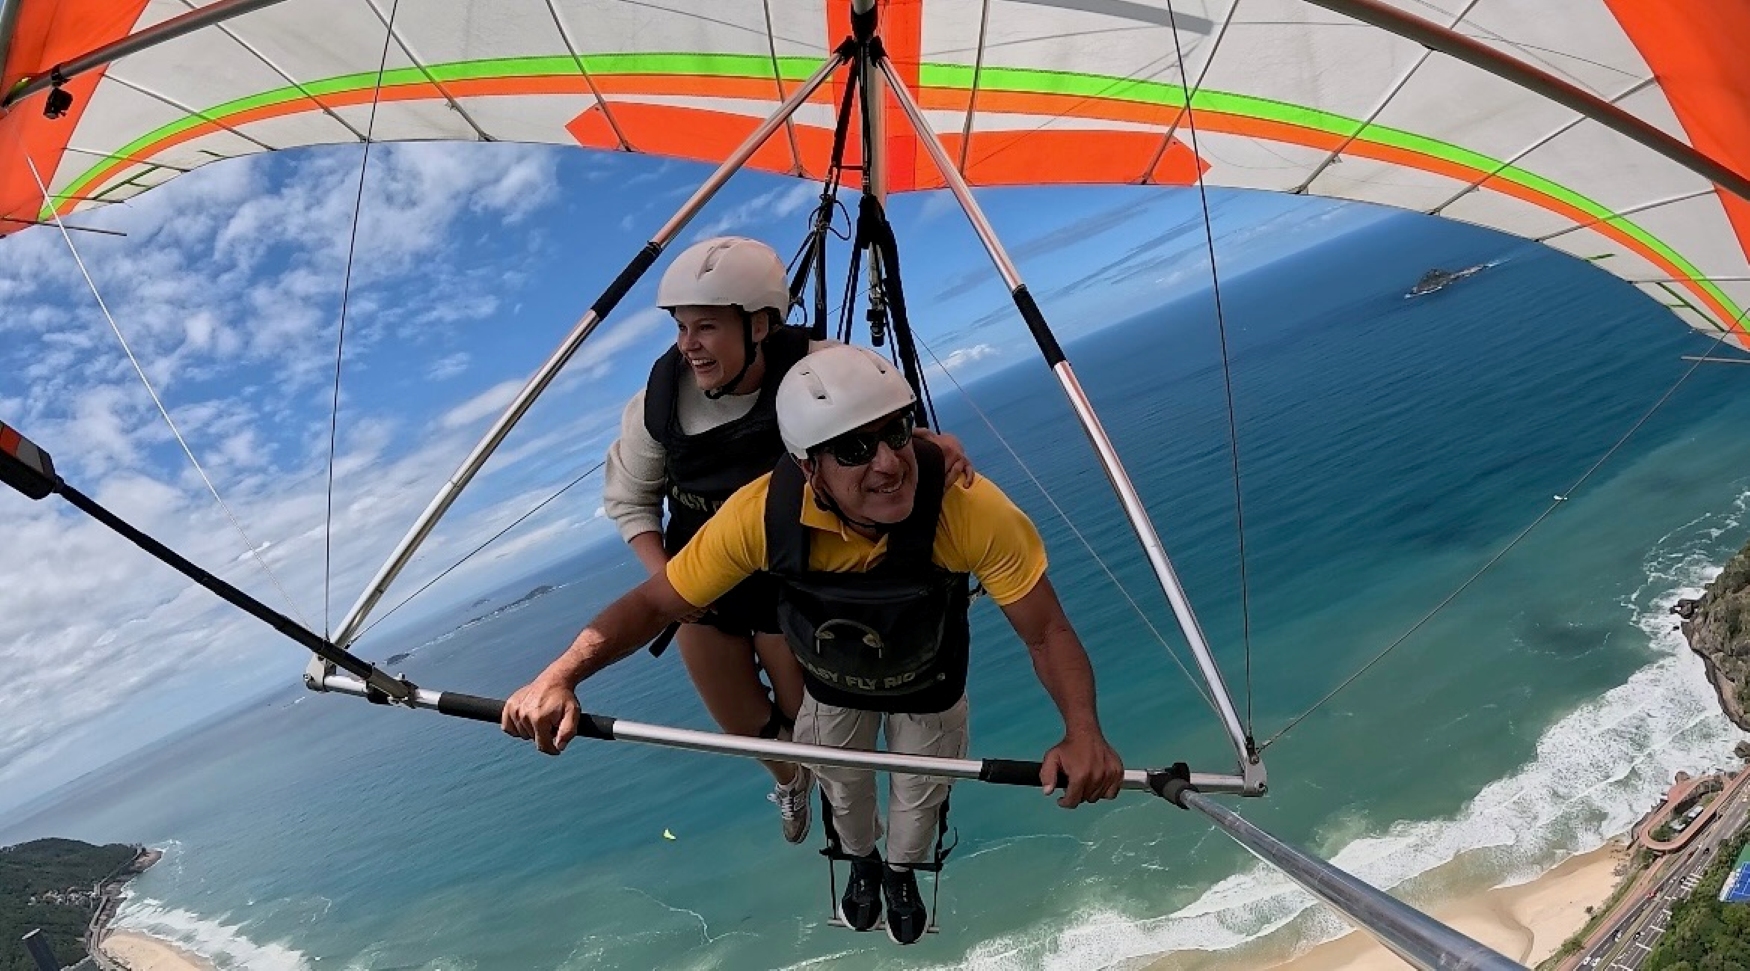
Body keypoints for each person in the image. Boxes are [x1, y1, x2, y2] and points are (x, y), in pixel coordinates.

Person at [505, 345, 1123, 945]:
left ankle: (903, 872)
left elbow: (1045, 630)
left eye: (898, 432)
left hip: (929, 686)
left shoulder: (965, 508)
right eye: (855, 448)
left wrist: (1083, 731)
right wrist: (562, 675)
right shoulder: (762, 516)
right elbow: (654, 604)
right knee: (843, 790)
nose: (887, 463)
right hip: (832, 686)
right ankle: (861, 860)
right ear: (808, 467)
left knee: (919, 797)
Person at [601, 236, 972, 846]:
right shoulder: (656, 406)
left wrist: (930, 444)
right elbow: (630, 500)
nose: (688, 345)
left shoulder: (819, 369)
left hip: (790, 571)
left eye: (707, 327)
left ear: (762, 325)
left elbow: (876, 423)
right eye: (681, 328)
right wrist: (667, 579)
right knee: (742, 723)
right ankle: (789, 781)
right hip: (704, 571)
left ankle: (831, 791)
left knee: (811, 722)